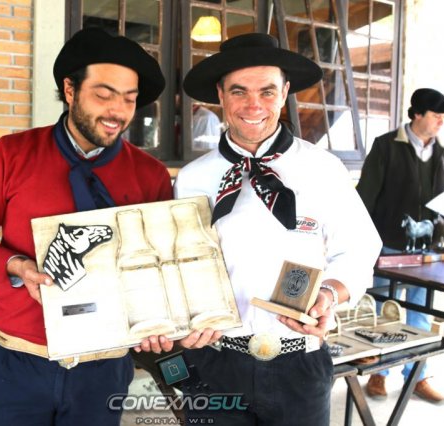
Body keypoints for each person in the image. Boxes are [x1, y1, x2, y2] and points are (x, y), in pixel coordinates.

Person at [0, 28, 178, 425]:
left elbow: (159, 268)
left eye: (129, 98)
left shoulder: (150, 175)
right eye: (104, 94)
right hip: (19, 361)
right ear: (70, 90)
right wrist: (16, 266)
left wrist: (160, 321)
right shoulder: (11, 154)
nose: (118, 110)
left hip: (105, 368)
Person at [173, 33, 382, 425]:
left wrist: (328, 296)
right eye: (239, 91)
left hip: (299, 366)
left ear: (284, 93)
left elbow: (358, 249)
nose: (254, 105)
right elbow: (180, 265)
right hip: (214, 362)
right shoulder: (192, 178)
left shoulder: (323, 168)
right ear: (221, 95)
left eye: (267, 92)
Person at [356, 88, 444, 404]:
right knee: (381, 312)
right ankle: (378, 371)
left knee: (421, 314)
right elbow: (365, 198)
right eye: (436, 116)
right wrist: (363, 244)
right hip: (388, 245)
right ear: (417, 114)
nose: (441, 122)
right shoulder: (386, 146)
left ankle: (416, 376)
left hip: (428, 251)